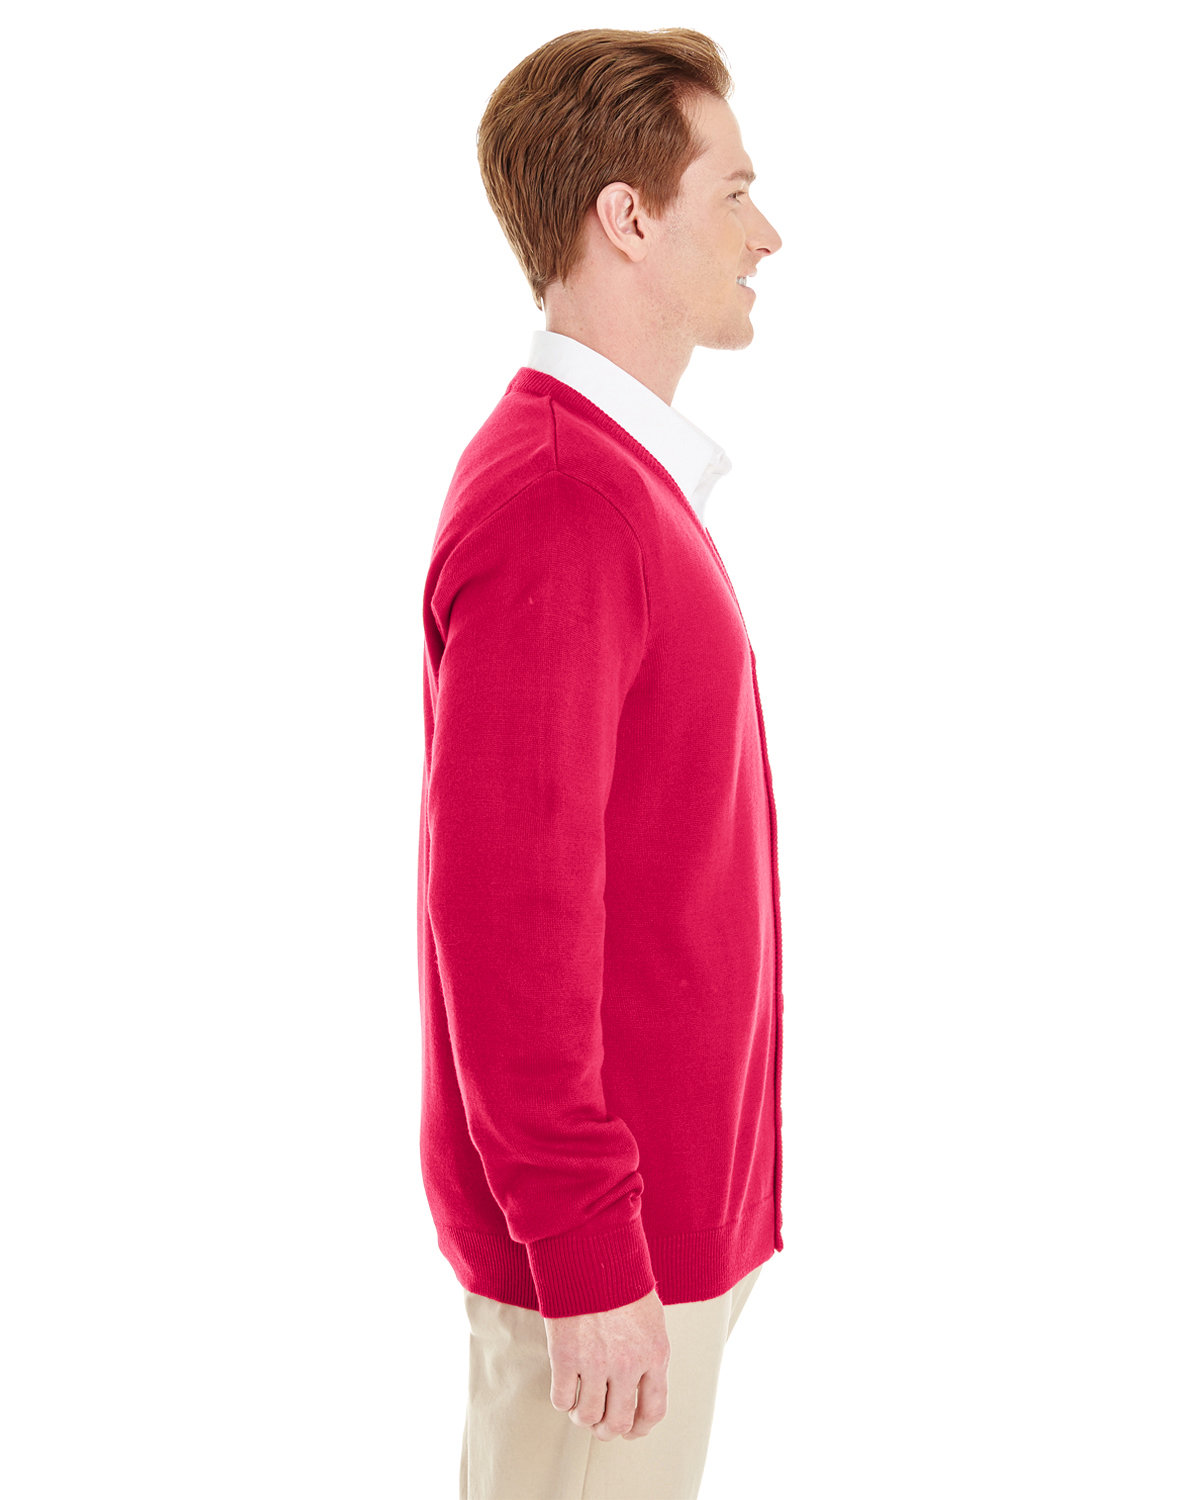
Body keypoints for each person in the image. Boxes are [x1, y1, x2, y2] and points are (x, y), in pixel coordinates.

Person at [417, 27, 785, 1500]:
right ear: (626, 217)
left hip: (655, 1235)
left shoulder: (612, 483)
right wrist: (586, 1253)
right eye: (735, 192)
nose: (768, 233)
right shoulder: (565, 503)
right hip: (607, 1261)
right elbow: (506, 914)